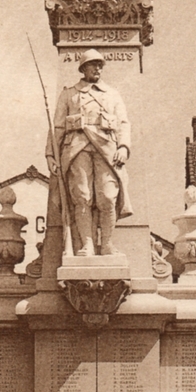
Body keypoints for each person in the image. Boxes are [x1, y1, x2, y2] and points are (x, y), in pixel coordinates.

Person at [48, 49, 132, 256]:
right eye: (93, 64)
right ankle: (87, 244)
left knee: (107, 197)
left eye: (100, 65)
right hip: (77, 148)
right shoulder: (69, 94)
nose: (97, 68)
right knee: (82, 197)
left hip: (107, 149)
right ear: (83, 68)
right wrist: (51, 154)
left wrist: (123, 147)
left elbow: (123, 123)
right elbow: (57, 126)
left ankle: (107, 244)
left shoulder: (112, 94)